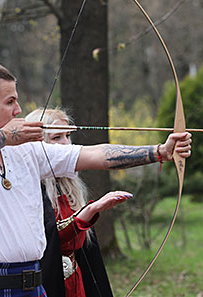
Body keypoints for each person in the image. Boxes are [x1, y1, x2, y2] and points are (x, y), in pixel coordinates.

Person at [0, 63, 192, 296]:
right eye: (10, 102)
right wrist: (8, 136)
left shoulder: (26, 152)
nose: (18, 110)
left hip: (34, 284)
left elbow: (93, 155)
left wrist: (159, 152)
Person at [27, 108, 131, 297]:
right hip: (47, 283)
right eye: (57, 137)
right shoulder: (30, 187)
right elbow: (50, 238)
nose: (66, 143)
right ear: (38, 143)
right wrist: (91, 210)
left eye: (67, 135)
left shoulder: (67, 185)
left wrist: (162, 152)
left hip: (75, 280)